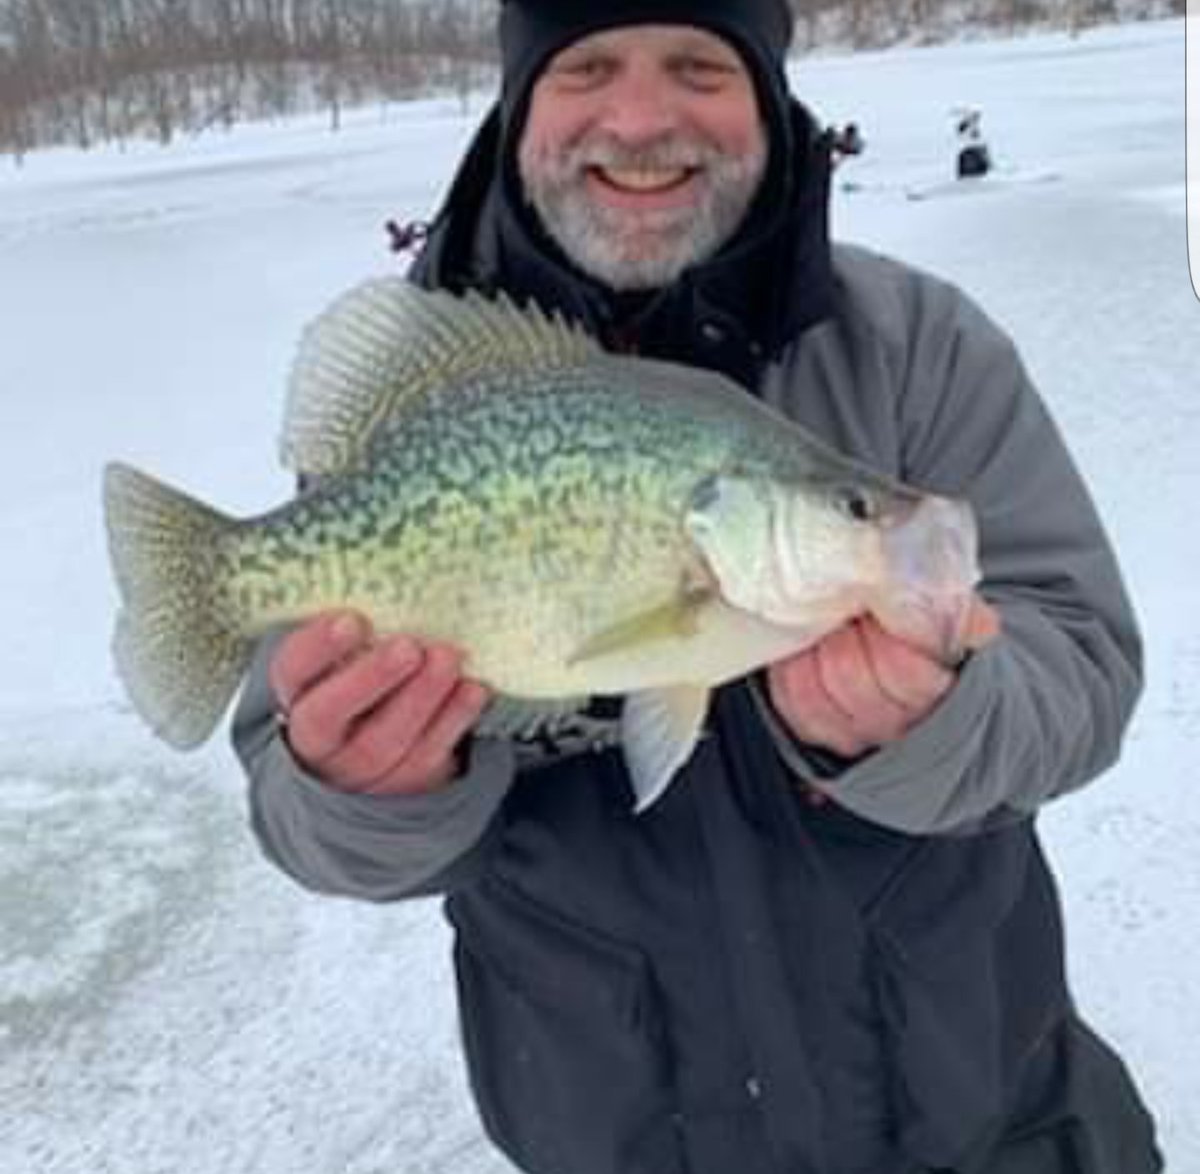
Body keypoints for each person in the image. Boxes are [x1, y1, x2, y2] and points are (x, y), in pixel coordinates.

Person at [232, 3, 1163, 1172]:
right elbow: (308, 825)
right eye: (585, 67)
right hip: (614, 1133)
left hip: (990, 1115)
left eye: (698, 66)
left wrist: (938, 724)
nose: (638, 116)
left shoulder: (920, 349)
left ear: (769, 101)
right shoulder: (427, 407)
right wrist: (363, 787)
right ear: (521, 108)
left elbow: (1085, 670)